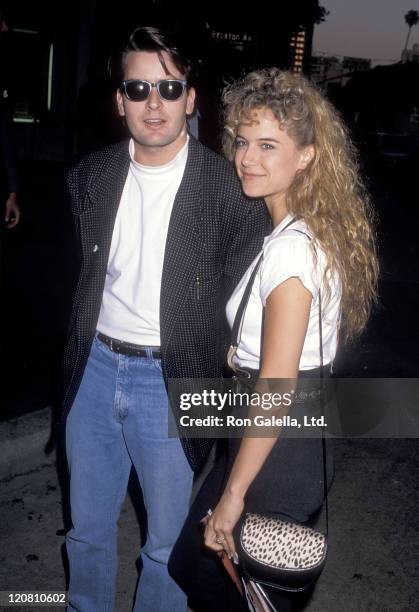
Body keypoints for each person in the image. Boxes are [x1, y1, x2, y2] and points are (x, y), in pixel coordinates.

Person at [61, 26, 269, 612]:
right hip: (94, 372)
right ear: (119, 100)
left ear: (192, 98)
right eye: (139, 87)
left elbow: (245, 300)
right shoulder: (89, 178)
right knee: (86, 532)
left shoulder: (229, 188)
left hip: (174, 381)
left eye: (169, 88)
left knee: (164, 547)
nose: (155, 103)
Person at [169, 68, 379, 611]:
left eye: (268, 145)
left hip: (281, 441)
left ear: (306, 155)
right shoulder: (300, 232)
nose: (247, 158)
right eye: (242, 141)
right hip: (284, 431)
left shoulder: (291, 251)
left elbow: (278, 385)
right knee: (204, 572)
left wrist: (234, 495)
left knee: (226, 587)